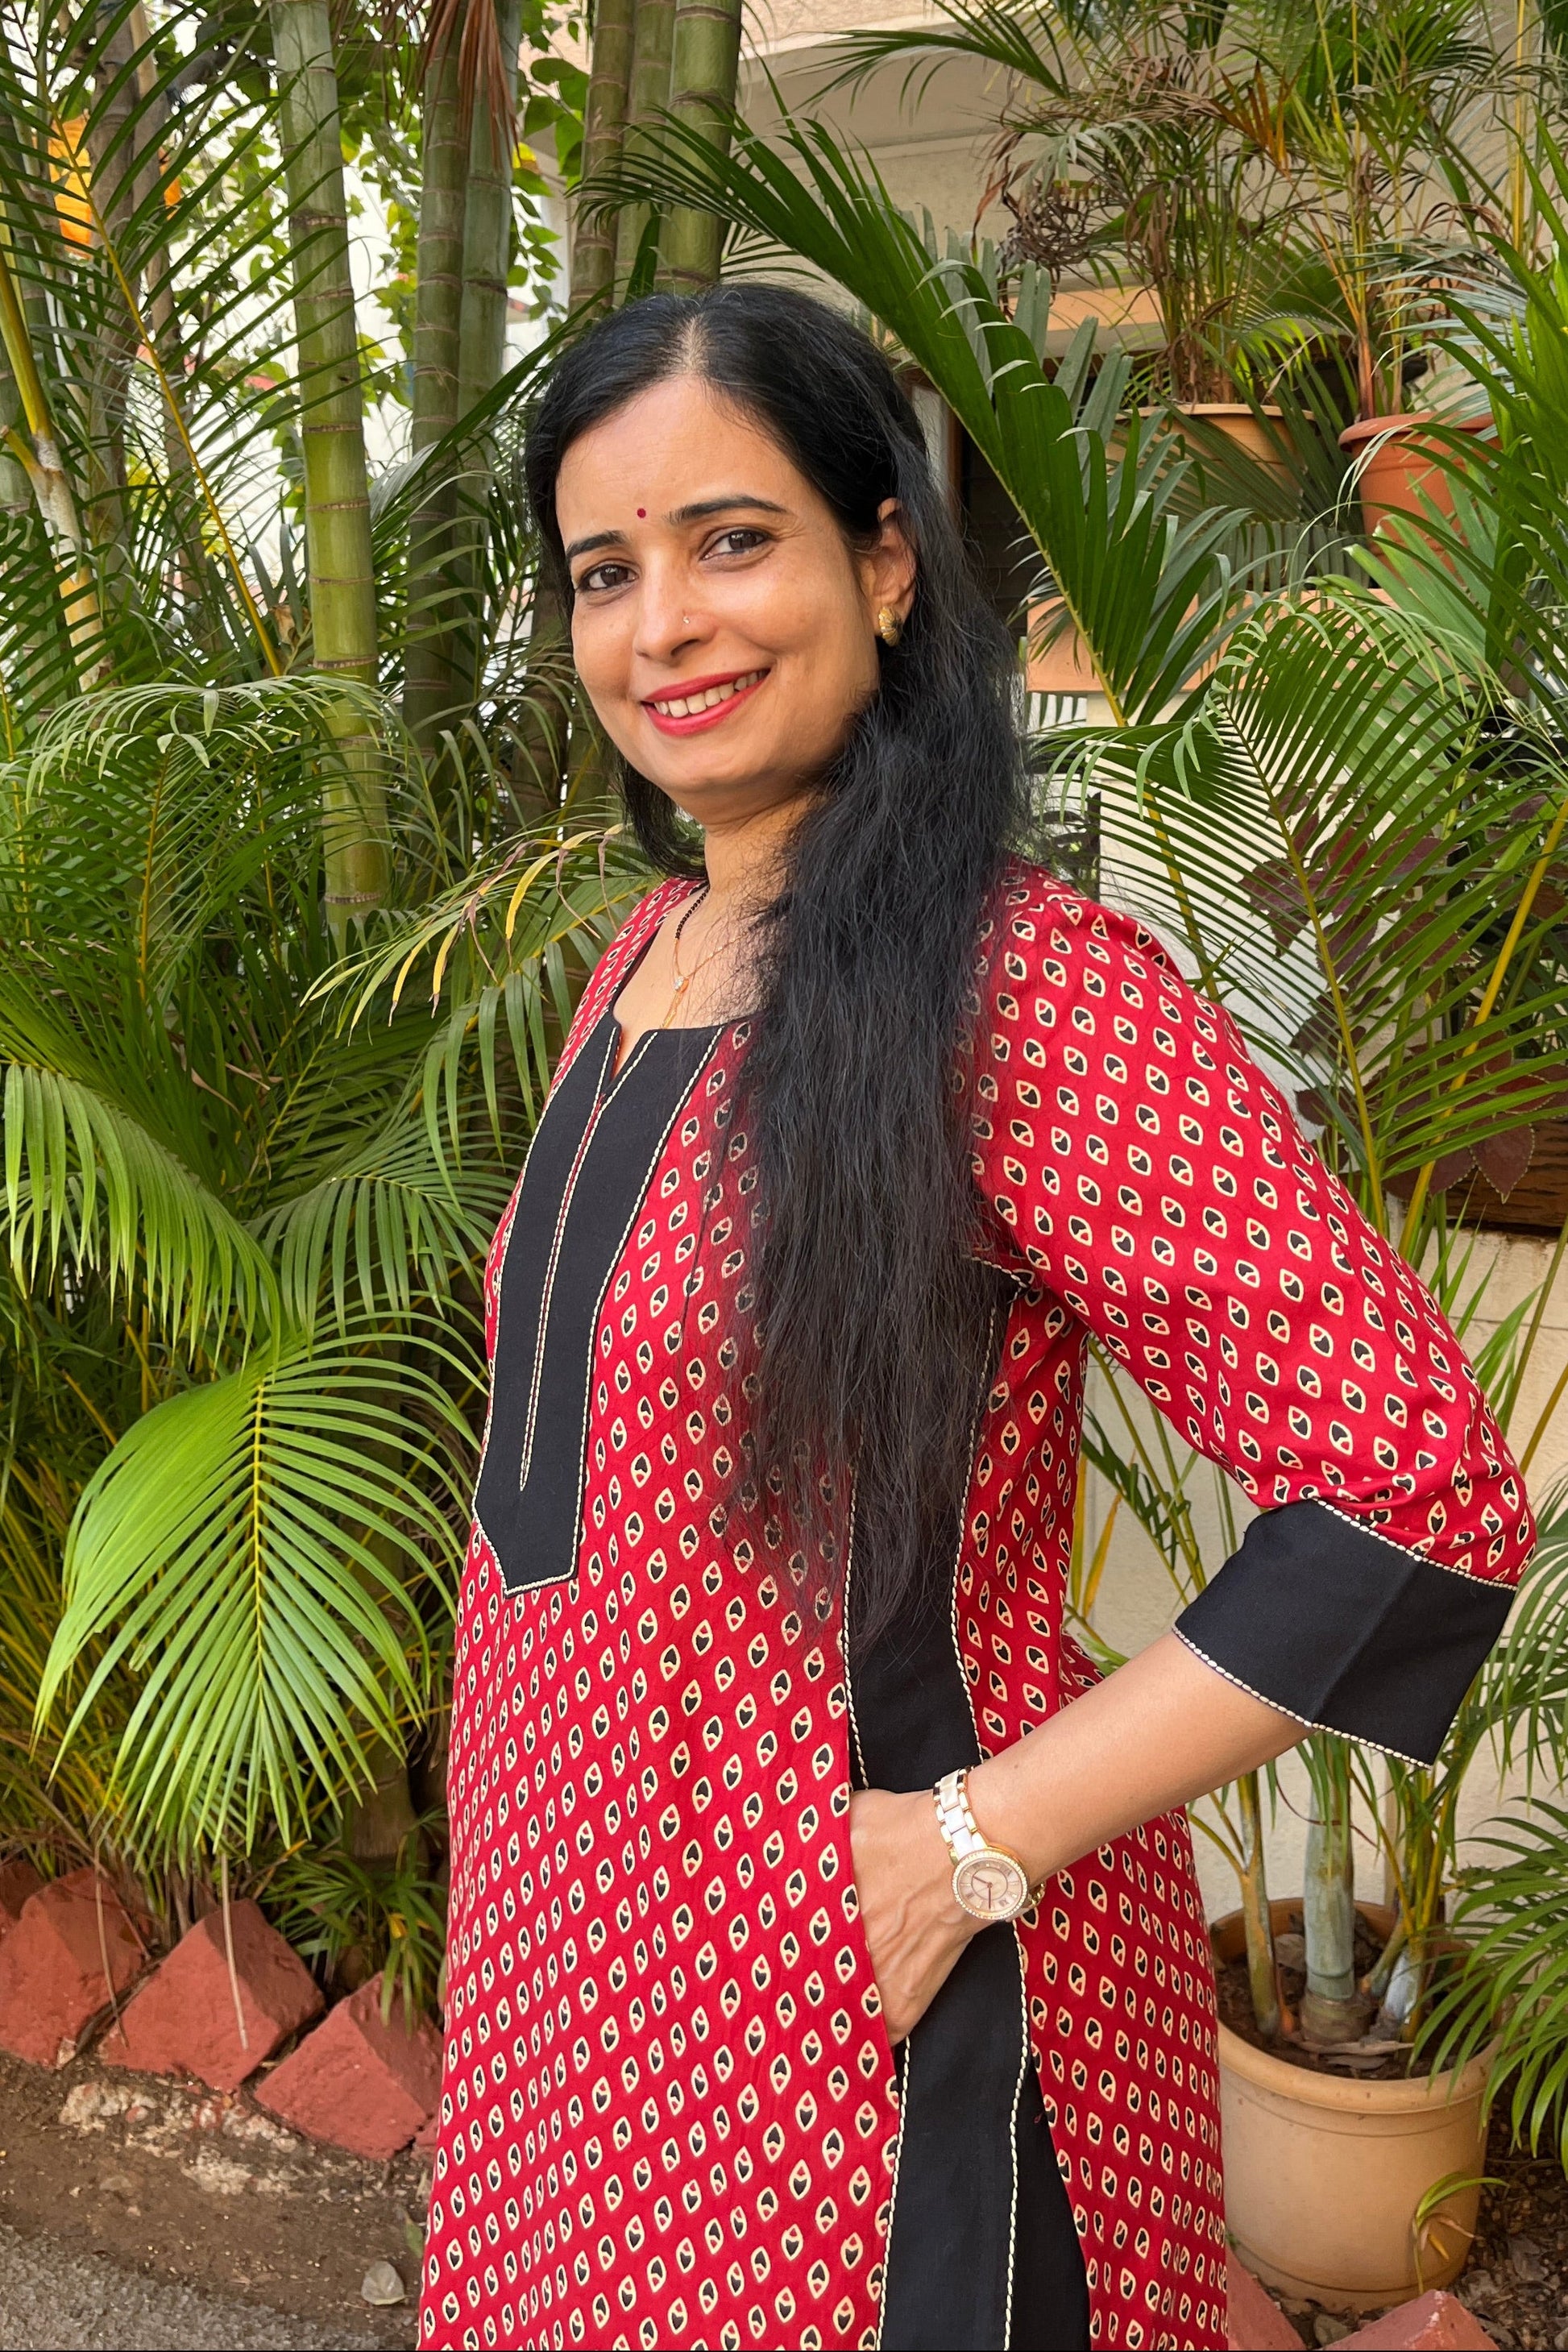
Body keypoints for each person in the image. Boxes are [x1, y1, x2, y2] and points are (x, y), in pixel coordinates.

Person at [419, 284, 1533, 2352]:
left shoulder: (1020, 992)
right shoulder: (641, 955)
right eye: (604, 570)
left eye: (730, 539)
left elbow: (1411, 1480)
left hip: (863, 2023)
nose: (663, 623)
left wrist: (967, 1842)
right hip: (579, 1992)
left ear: (883, 562)